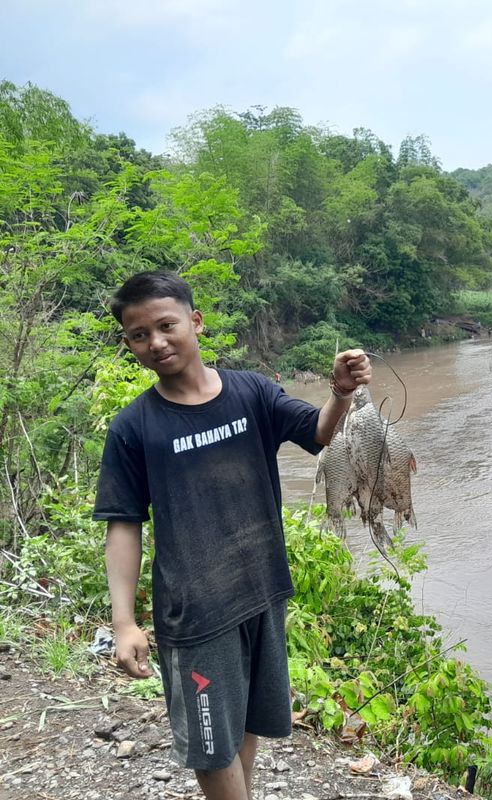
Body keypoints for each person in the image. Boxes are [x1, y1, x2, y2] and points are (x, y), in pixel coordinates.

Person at [94, 272, 372, 800]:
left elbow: (320, 434)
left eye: (166, 325)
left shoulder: (252, 392)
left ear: (195, 322)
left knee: (245, 723)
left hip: (261, 592)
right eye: (138, 334)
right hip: (196, 614)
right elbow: (124, 525)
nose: (156, 342)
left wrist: (340, 392)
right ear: (128, 342)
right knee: (211, 746)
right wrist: (124, 621)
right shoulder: (134, 427)